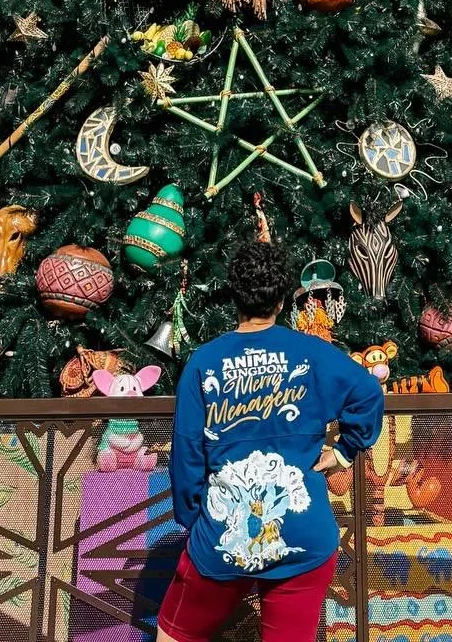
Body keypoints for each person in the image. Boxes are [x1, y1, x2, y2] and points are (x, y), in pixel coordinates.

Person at [160, 241, 384, 642]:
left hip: (224, 533)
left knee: (175, 636)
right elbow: (369, 392)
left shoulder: (204, 362)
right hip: (305, 535)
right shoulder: (313, 353)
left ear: (234, 296)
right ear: (281, 301)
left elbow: (186, 453)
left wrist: (195, 520)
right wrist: (344, 452)